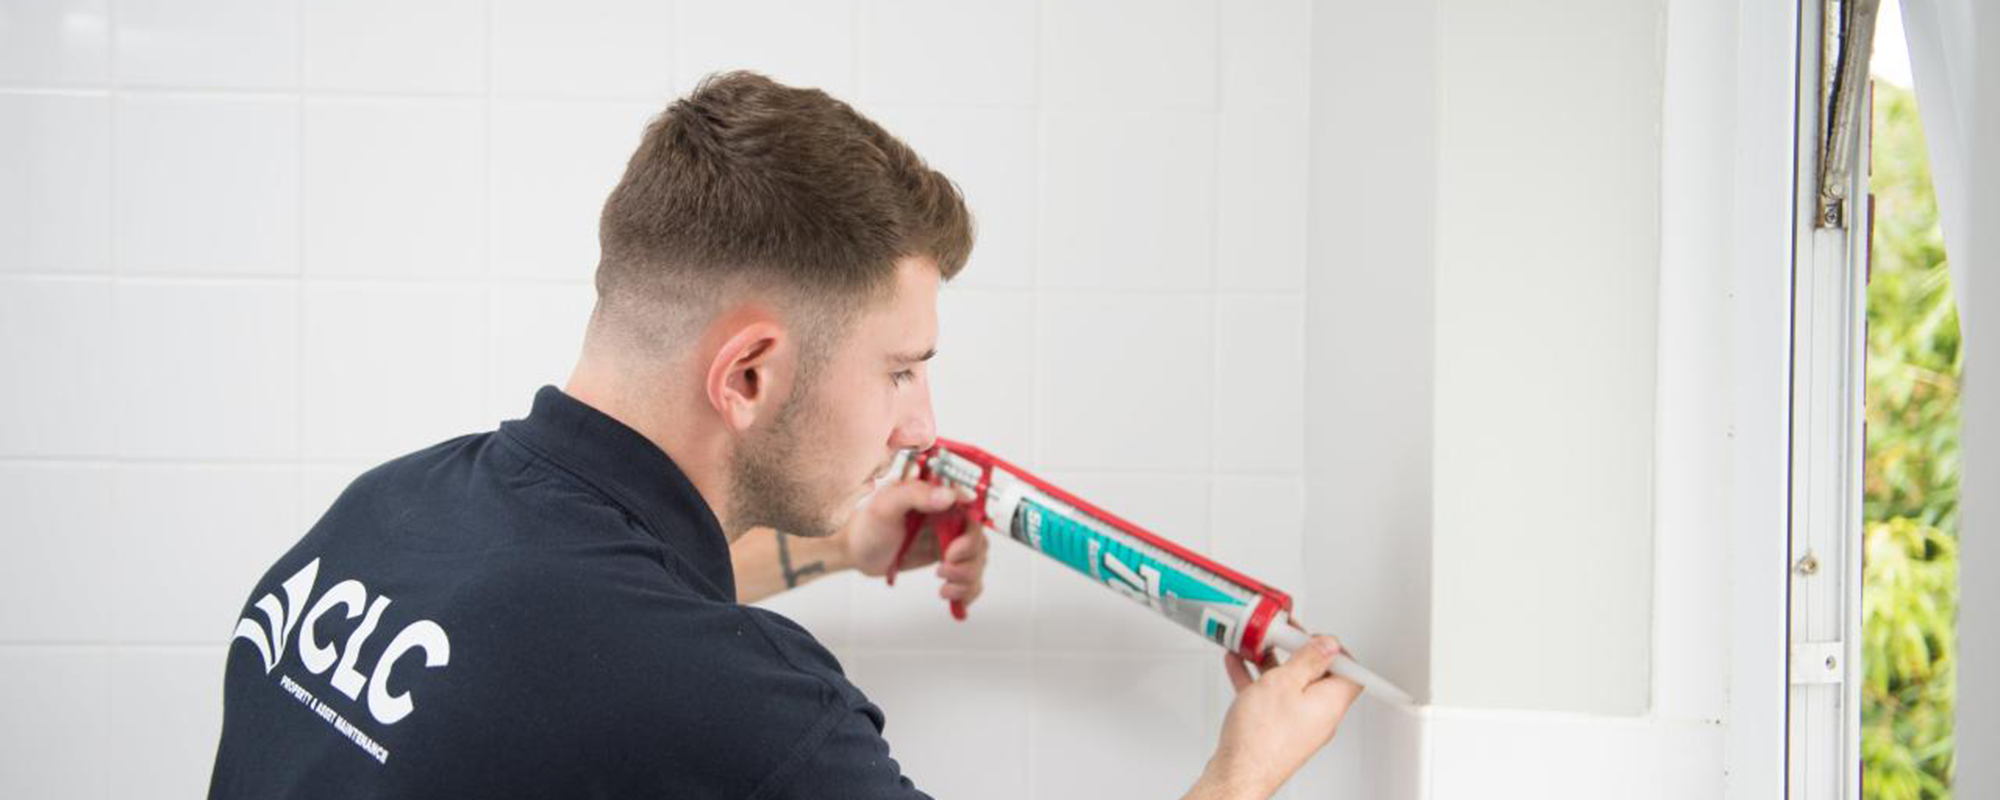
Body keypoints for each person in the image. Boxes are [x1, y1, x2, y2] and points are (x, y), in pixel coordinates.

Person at [208, 71, 1361, 800]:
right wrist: (1239, 769)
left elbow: (587, 631)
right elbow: (649, 659)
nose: (921, 424)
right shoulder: (754, 708)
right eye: (901, 368)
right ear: (750, 371)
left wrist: (840, 546)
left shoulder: (390, 510)